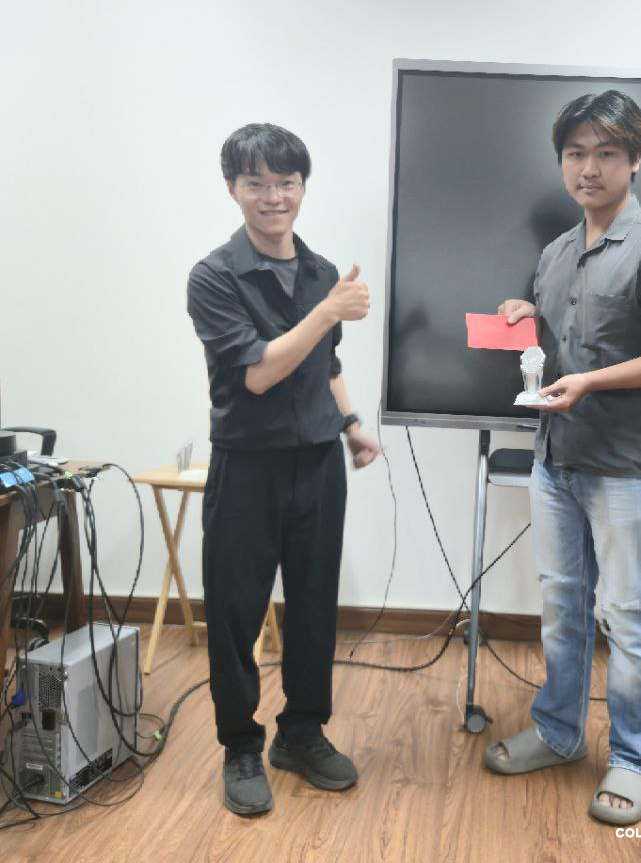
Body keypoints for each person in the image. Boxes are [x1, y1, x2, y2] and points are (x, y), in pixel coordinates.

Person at [484, 91, 641, 826]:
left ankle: (637, 757)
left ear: (634, 159)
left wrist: (590, 382)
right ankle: (558, 732)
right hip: (557, 458)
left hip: (627, 468)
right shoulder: (556, 253)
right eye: (575, 153)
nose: (589, 168)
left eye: (606, 153)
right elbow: (567, 340)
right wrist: (529, 315)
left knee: (627, 613)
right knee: (561, 607)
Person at [187, 123, 381, 815]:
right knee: (235, 611)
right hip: (247, 465)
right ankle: (241, 744)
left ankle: (301, 732)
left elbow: (324, 363)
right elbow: (261, 373)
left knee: (315, 605)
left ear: (303, 186)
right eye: (257, 183)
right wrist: (328, 311)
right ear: (232, 189)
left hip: (318, 461)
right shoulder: (214, 276)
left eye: (286, 182)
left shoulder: (322, 272)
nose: (274, 197)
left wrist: (352, 424)